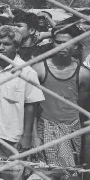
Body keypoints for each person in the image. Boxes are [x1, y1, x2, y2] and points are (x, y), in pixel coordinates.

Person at [0, 25, 45, 180]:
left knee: (11, 174)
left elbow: (31, 105)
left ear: (17, 47)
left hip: (11, 135)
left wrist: (27, 135)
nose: (1, 47)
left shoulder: (26, 72)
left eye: (7, 44)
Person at [32, 23, 90, 180]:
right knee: (46, 173)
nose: (62, 46)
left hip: (72, 129)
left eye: (67, 42)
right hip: (45, 127)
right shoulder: (39, 69)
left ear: (76, 44)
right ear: (52, 42)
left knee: (70, 174)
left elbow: (81, 107)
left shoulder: (83, 74)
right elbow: (32, 106)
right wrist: (34, 134)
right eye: (58, 42)